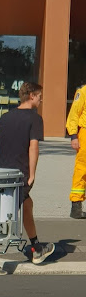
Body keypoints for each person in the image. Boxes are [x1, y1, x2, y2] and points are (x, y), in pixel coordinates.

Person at [0, 82, 55, 275]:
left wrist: (5, 162)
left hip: (4, 173)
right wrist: (32, 173)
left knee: (27, 205)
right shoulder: (35, 119)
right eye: (39, 96)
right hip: (20, 174)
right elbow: (33, 147)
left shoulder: (5, 117)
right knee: (7, 214)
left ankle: (36, 248)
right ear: (31, 96)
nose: (41, 99)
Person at [66, 82, 86, 218]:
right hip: (84, 133)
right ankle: (76, 206)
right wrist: (74, 136)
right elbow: (74, 114)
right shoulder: (83, 92)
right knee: (82, 168)